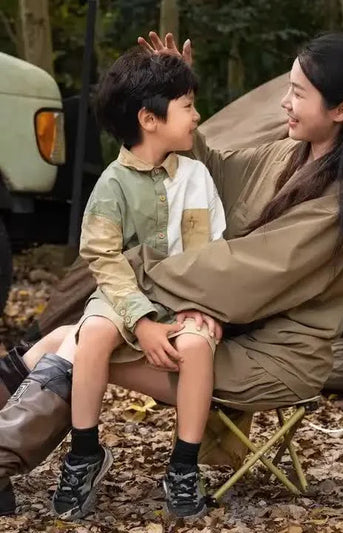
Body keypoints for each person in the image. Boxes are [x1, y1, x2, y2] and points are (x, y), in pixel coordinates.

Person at [0, 31, 343, 519]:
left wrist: (129, 271)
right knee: (66, 341)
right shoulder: (288, 154)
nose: (285, 102)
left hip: (273, 356)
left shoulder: (342, 202)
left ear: (341, 110)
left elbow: (245, 272)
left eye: (298, 93)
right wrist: (169, 103)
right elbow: (211, 171)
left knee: (73, 346)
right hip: (231, 325)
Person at [52, 47, 225, 520]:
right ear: (149, 120)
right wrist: (141, 319)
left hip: (183, 295)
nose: (197, 116)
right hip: (122, 292)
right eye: (187, 106)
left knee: (197, 344)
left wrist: (202, 305)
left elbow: (212, 251)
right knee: (92, 334)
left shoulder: (197, 176)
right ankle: (84, 454)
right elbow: (102, 258)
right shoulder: (111, 185)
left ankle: (184, 466)